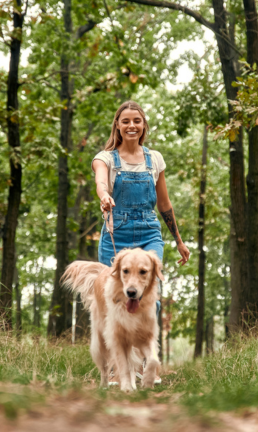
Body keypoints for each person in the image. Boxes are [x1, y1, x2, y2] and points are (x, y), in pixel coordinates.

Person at [92, 100, 190, 384]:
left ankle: (144, 363)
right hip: (116, 232)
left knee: (150, 297)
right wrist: (104, 197)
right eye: (125, 121)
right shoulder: (106, 158)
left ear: (144, 125)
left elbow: (164, 203)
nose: (131, 125)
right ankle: (118, 367)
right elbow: (101, 182)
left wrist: (179, 241)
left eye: (137, 120)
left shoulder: (154, 159)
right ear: (118, 126)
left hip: (149, 232)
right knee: (114, 300)